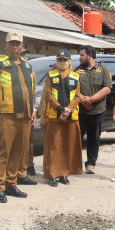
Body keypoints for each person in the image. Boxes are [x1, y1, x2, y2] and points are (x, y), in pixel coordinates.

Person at [0, 33, 38, 203]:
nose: (15, 47)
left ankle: (11, 183)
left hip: (25, 116)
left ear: (22, 46)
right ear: (6, 46)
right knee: (3, 151)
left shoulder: (27, 65)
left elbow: (32, 89)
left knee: (18, 151)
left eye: (18, 44)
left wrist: (34, 110)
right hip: (5, 115)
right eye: (12, 44)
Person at [39, 49, 83, 186]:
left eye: (65, 60)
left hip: (71, 117)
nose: (62, 62)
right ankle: (51, 174)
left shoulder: (76, 76)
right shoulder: (50, 75)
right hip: (54, 115)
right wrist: (60, 109)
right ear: (56, 61)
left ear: (69, 61)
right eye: (60, 60)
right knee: (52, 146)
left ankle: (64, 173)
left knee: (67, 146)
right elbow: (48, 95)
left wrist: (68, 111)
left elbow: (78, 96)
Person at [76, 45, 112, 174]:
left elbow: (107, 88)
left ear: (89, 55)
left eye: (82, 55)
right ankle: (75, 163)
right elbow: (73, 87)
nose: (80, 57)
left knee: (94, 138)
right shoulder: (77, 70)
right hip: (80, 111)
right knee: (76, 138)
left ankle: (91, 163)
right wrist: (84, 102)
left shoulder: (103, 70)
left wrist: (91, 100)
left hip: (97, 111)